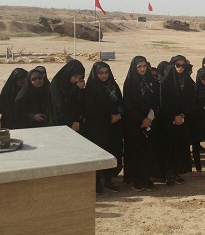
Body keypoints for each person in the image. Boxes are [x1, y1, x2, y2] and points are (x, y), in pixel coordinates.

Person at [85, 62, 124, 194]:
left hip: (114, 126)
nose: (104, 75)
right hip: (98, 127)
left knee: (112, 152)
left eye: (106, 72)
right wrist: (106, 118)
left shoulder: (112, 85)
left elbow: (121, 102)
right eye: (100, 73)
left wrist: (119, 115)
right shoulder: (91, 87)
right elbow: (91, 109)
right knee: (98, 155)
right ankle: (96, 183)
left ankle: (108, 180)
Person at [123, 56, 159, 192]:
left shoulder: (151, 80)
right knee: (135, 151)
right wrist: (141, 119)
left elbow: (155, 100)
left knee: (148, 151)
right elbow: (128, 104)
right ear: (134, 68)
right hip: (134, 123)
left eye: (144, 66)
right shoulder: (130, 82)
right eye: (139, 67)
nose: (143, 69)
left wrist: (149, 117)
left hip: (149, 121)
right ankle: (135, 179)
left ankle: (146, 178)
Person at [159, 55, 194, 187]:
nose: (180, 68)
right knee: (168, 148)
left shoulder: (188, 82)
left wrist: (183, 115)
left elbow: (191, 100)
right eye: (178, 65)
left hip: (182, 120)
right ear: (173, 66)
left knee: (179, 148)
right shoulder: (166, 82)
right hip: (169, 121)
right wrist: (174, 116)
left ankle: (176, 172)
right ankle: (168, 174)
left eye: (182, 65)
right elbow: (164, 102)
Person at [49, 60, 86, 132]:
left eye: (80, 77)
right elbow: (61, 105)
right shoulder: (57, 84)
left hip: (76, 124)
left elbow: (80, 103)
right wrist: (77, 89)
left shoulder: (75, 85)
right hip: (59, 124)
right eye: (75, 77)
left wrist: (80, 90)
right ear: (69, 74)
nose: (78, 80)